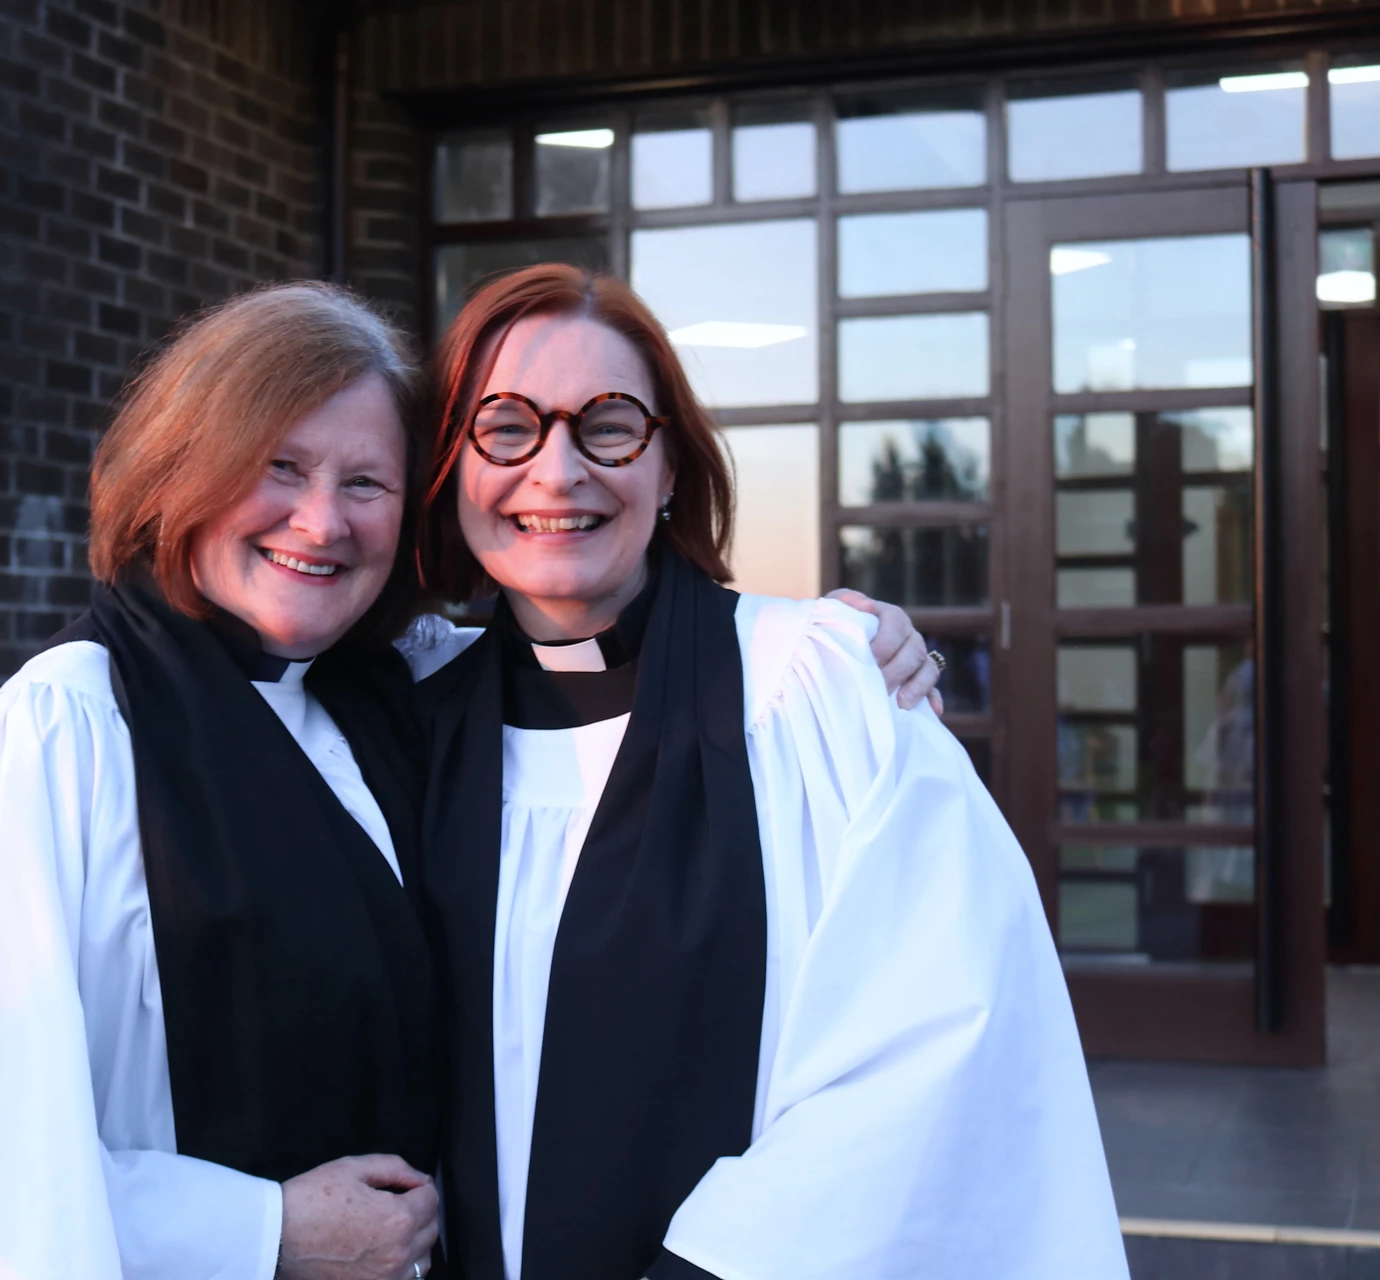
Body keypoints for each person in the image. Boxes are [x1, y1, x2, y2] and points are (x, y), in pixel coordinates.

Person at [0, 280, 942, 1280]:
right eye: (277, 467)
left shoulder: (394, 704)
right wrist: (260, 1228)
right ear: (175, 471)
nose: (319, 520)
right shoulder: (49, 751)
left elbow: (597, 651)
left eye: (366, 483)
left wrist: (834, 650)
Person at [404, 264, 1126, 1280]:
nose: (557, 469)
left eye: (608, 424)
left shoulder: (815, 695)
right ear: (449, 470)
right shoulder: (404, 715)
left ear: (670, 469)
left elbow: (935, 1040)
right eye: (506, 426)